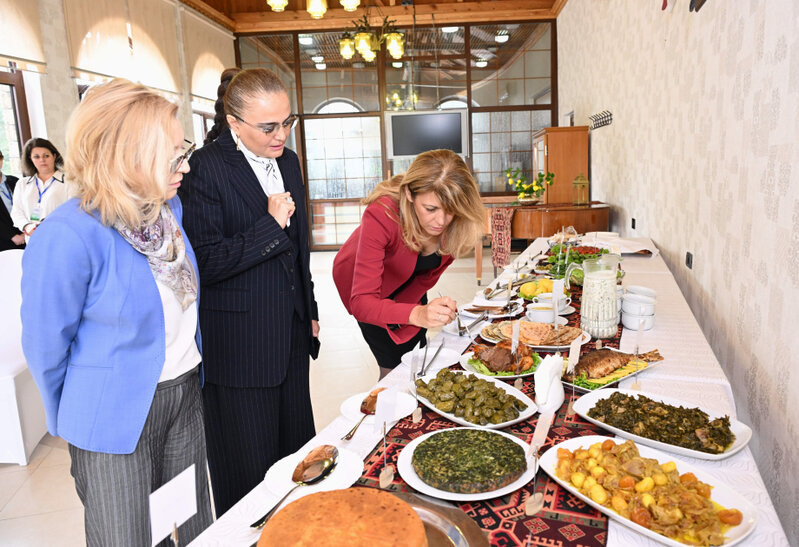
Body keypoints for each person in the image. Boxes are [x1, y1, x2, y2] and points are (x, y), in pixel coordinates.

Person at [20, 79, 212, 546]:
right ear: (125, 154)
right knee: (123, 537)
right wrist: (75, 422)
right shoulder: (69, 234)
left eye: (181, 148)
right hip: (112, 412)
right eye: (170, 154)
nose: (184, 165)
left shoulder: (168, 210)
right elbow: (46, 346)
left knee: (191, 528)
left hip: (184, 394)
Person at [179, 68, 320, 516]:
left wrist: (310, 308)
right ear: (234, 121)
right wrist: (268, 225)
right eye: (269, 127)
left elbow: (300, 249)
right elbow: (204, 262)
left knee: (298, 462)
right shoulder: (204, 169)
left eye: (287, 122)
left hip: (291, 336)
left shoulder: (289, 161)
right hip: (239, 346)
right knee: (249, 474)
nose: (281, 135)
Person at [332, 149, 484, 379]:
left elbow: (426, 277)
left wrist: (420, 314)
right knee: (392, 365)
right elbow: (362, 303)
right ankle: (387, 410)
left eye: (450, 211)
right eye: (430, 209)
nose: (441, 222)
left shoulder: (457, 224)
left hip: (408, 280)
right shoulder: (382, 213)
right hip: (365, 286)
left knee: (417, 353)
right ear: (409, 195)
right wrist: (416, 314)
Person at [11, 137, 73, 241]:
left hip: (61, 238)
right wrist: (28, 226)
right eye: (36, 157)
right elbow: (16, 212)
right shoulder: (22, 184)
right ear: (30, 159)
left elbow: (74, 211)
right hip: (33, 240)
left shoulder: (69, 181)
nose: (42, 160)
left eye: (46, 156)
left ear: (54, 156)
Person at [0, 149, 24, 251]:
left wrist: (28, 231)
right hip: (3, 244)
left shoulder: (15, 181)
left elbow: (30, 207)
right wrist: (11, 236)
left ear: (1, 160)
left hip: (26, 237)